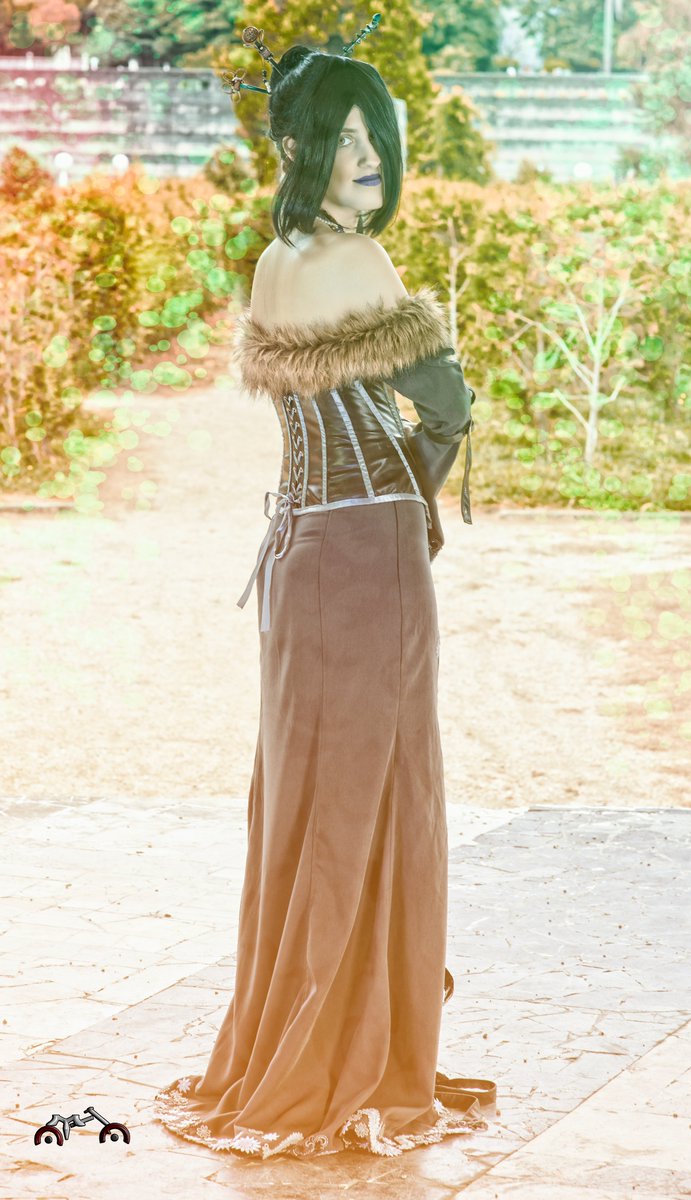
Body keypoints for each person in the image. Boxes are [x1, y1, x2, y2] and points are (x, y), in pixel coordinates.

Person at [153, 38, 492, 1160]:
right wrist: (419, 491)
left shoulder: (274, 262)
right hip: (370, 553)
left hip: (295, 556)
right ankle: (362, 1055)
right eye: (342, 140)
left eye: (372, 137)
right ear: (300, 149)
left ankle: (297, 1037)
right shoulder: (363, 264)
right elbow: (445, 406)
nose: (366, 158)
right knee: (384, 799)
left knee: (307, 806)